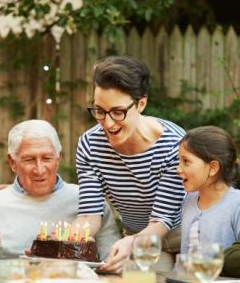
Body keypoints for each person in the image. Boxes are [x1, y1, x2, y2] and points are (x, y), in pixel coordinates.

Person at [73, 55, 186, 273]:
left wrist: (130, 242)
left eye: (117, 112)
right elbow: (89, 214)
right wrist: (66, 241)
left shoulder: (173, 144)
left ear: (141, 103)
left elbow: (161, 221)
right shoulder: (90, 145)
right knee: (129, 274)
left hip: (180, 237)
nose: (108, 123)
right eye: (99, 111)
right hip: (137, 240)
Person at [0, 119, 120, 259]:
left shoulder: (89, 202)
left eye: (47, 158)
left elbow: (110, 262)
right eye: (29, 159)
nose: (40, 169)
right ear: (12, 162)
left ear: (58, 158)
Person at [178, 126, 240, 254]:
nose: (178, 169)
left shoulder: (237, 205)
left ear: (213, 168)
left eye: (186, 161)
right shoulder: (188, 202)